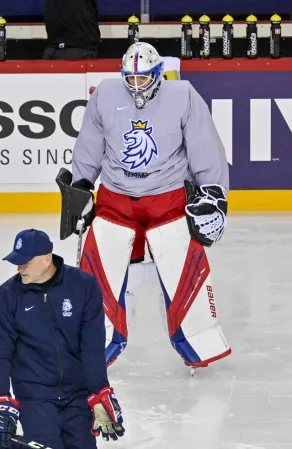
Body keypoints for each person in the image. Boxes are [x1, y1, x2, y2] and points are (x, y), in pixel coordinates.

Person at [65, 41, 231, 374]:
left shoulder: (183, 95)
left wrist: (215, 195)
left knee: (184, 267)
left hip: (168, 199)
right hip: (115, 199)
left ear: (158, 74)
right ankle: (95, 344)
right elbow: (89, 145)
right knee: (97, 270)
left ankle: (200, 342)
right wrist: (80, 186)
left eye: (144, 78)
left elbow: (205, 147)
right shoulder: (105, 95)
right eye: (131, 78)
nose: (137, 85)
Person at [0, 229, 124, 449]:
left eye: (25, 262)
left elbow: (92, 346)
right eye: (17, 262)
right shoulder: (8, 294)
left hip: (77, 392)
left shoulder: (83, 286)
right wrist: (0, 398)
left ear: (47, 259)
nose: (20, 268)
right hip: (33, 394)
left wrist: (99, 391)